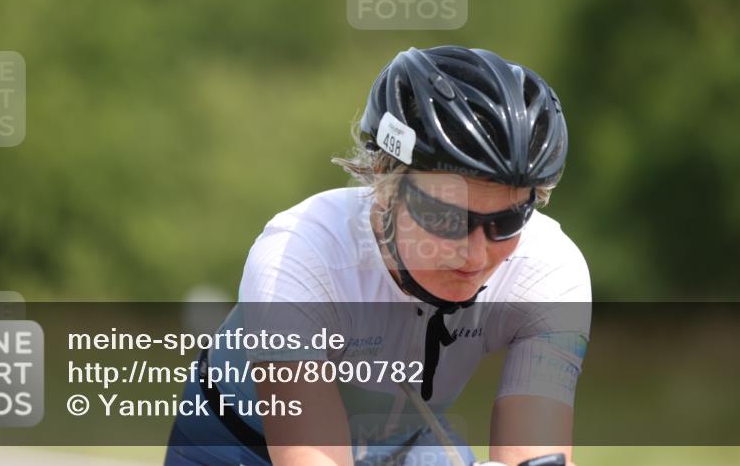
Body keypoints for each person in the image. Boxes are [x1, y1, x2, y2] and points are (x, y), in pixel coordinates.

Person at [165, 46, 591, 466]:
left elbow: (533, 457)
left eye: (507, 221)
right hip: (238, 444)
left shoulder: (549, 269)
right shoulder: (298, 256)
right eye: (446, 218)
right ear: (387, 183)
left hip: (409, 444)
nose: (476, 255)